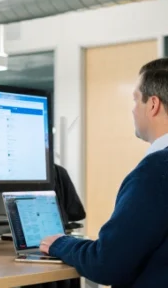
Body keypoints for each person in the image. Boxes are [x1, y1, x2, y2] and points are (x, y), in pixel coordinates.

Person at [40, 60, 168, 288]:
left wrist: (61, 243)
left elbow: (107, 265)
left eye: (136, 99)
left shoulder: (154, 173)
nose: (133, 108)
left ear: (153, 105)